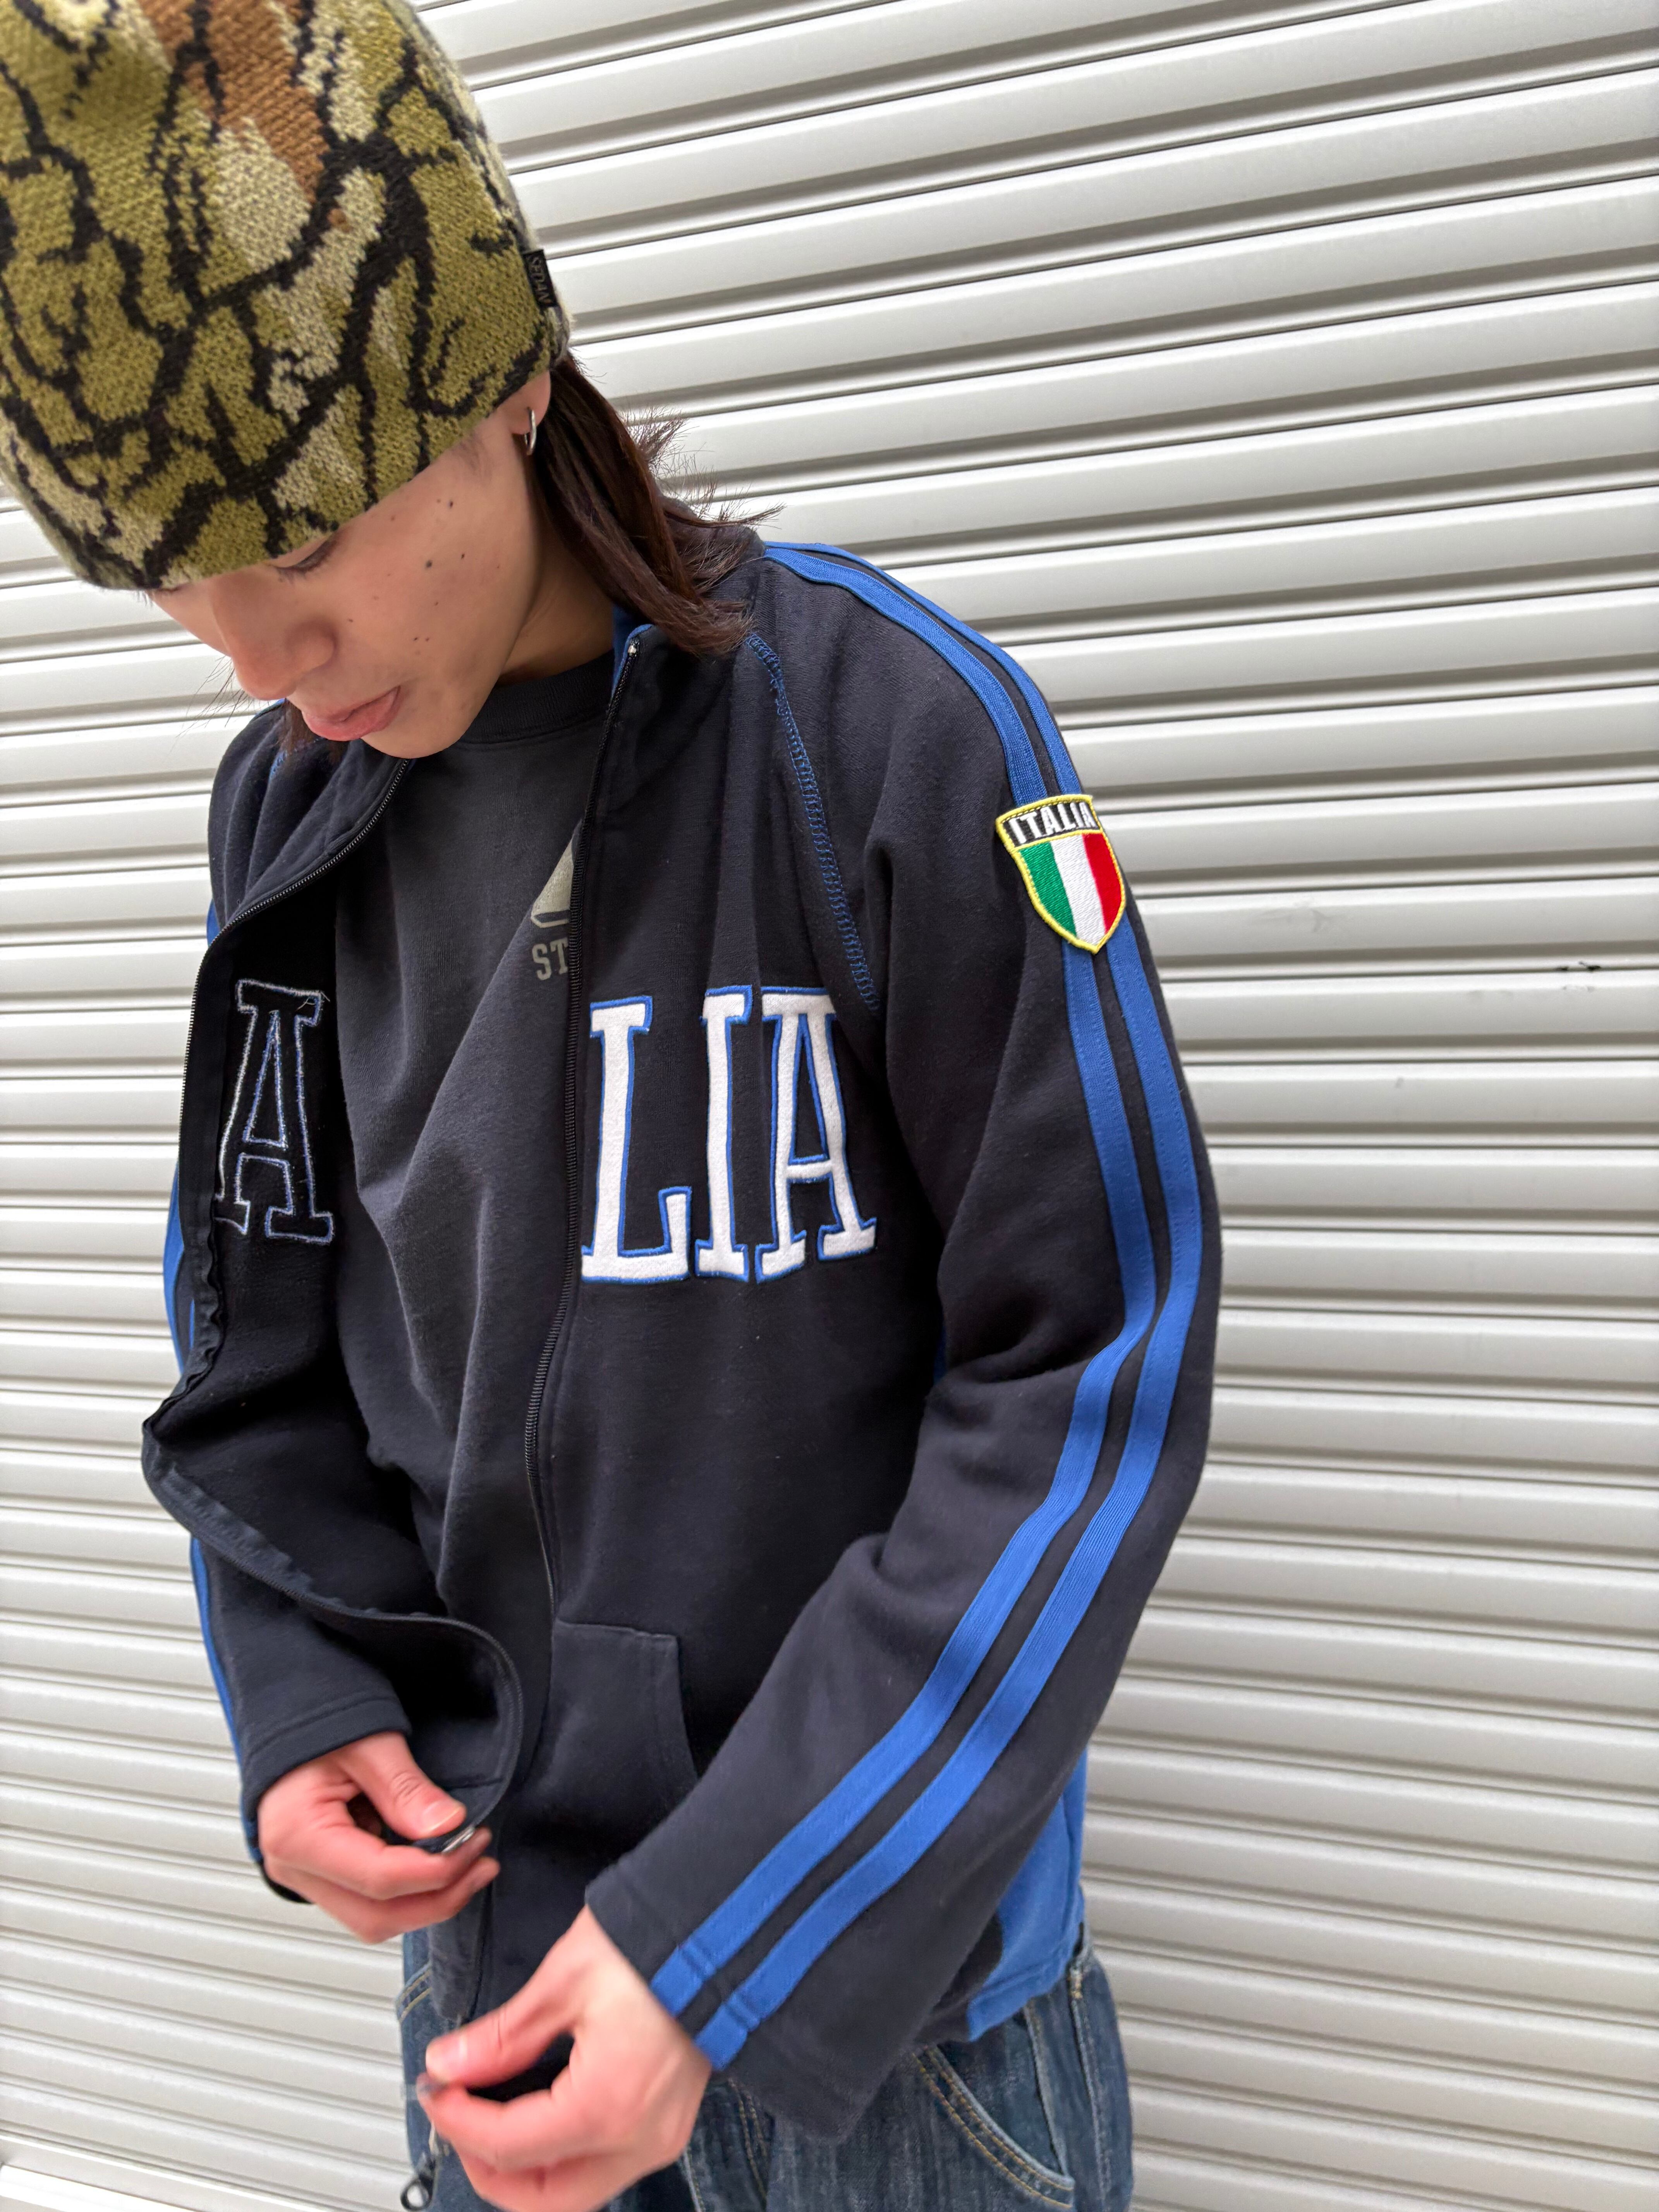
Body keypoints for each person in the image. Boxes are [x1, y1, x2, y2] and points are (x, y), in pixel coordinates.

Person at [0, 3, 1220, 2207]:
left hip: (902, 2060)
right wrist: (303, 1705)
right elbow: (258, 1347)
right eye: (182, 585)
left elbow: (1091, 1372)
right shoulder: (288, 821)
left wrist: (732, 1945)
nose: (262, 657)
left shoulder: (900, 734)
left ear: (506, 379)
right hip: (494, 2007)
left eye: (306, 543)